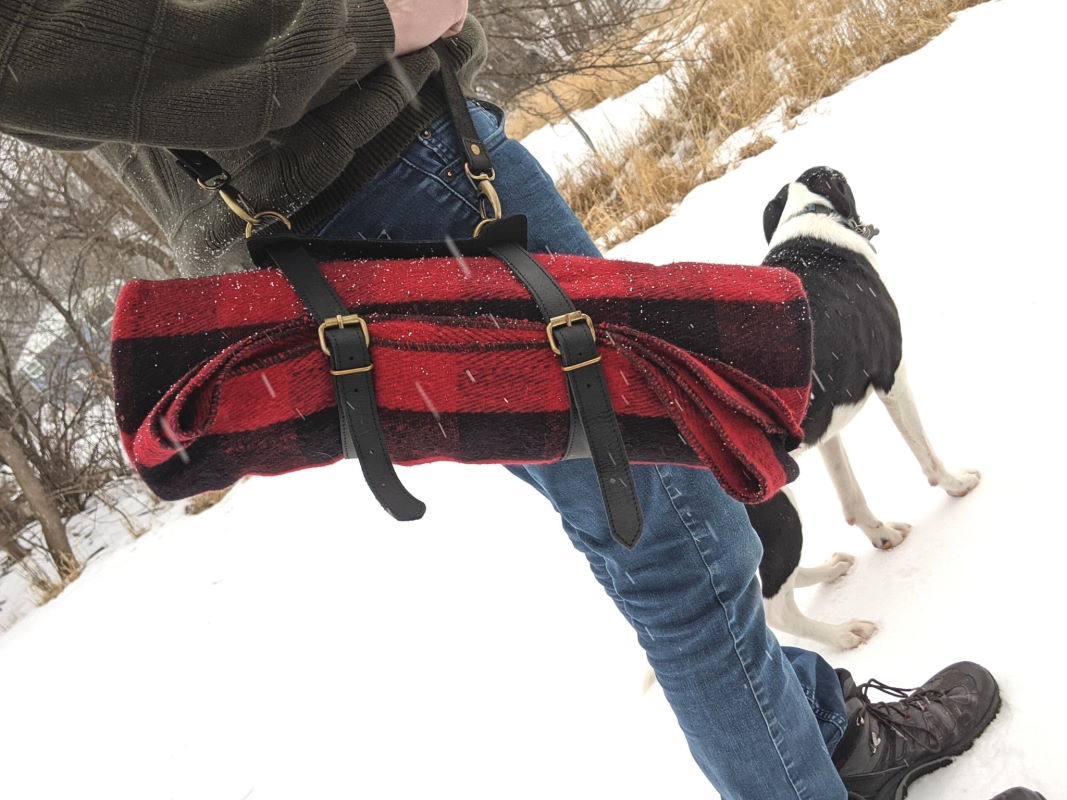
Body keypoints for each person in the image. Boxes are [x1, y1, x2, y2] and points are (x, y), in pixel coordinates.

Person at [0, 2, 1045, 798]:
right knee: (678, 541)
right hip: (384, 180)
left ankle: (821, 735)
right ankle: (817, 761)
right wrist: (359, 22)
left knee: (656, 514)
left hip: (384, 173)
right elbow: (36, 41)